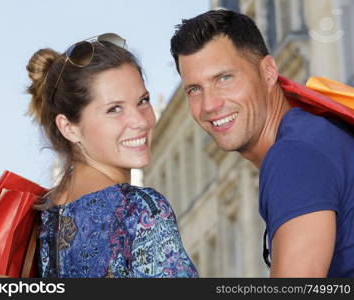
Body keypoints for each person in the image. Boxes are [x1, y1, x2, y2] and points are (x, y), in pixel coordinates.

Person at [170, 10, 354, 277]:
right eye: (194, 89)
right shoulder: (312, 132)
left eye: (224, 78)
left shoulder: (294, 156)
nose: (209, 105)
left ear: (268, 71)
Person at [25, 33, 198, 278]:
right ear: (69, 127)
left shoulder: (43, 216)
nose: (140, 121)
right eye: (114, 109)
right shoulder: (139, 209)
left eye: (143, 101)